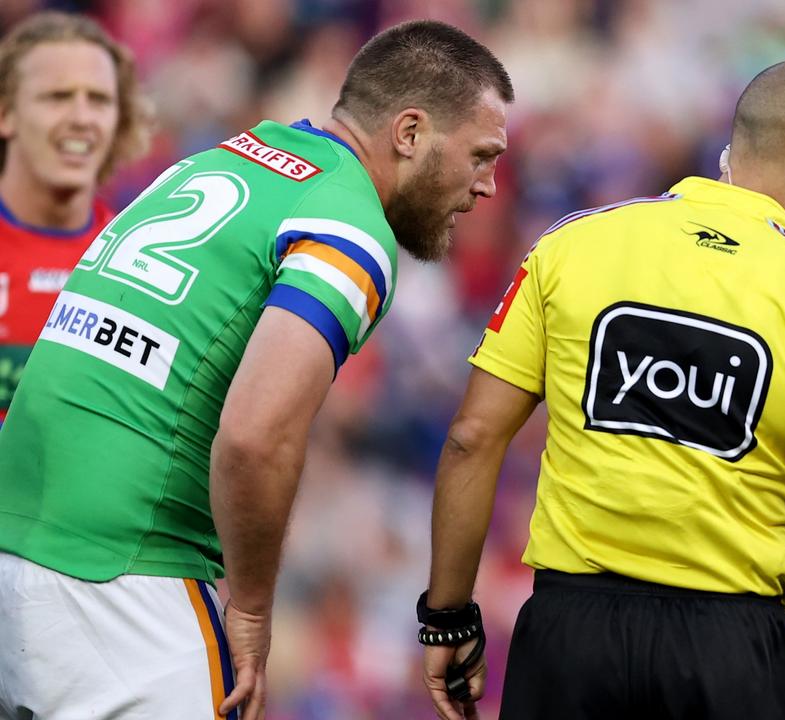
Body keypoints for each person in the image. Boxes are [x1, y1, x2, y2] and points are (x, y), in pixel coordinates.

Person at [421, 59, 785, 720]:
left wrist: (446, 617)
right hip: (730, 651)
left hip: (568, 635)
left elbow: (472, 438)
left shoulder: (572, 246)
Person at [0, 19, 512, 720]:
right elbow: (254, 437)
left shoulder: (226, 159)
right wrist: (251, 608)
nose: (488, 186)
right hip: (125, 578)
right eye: (481, 155)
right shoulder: (350, 223)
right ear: (411, 133)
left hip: (16, 549)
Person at [0, 11, 149, 425]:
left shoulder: (140, 267)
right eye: (58, 97)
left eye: (99, 99)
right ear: (5, 114)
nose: (82, 117)